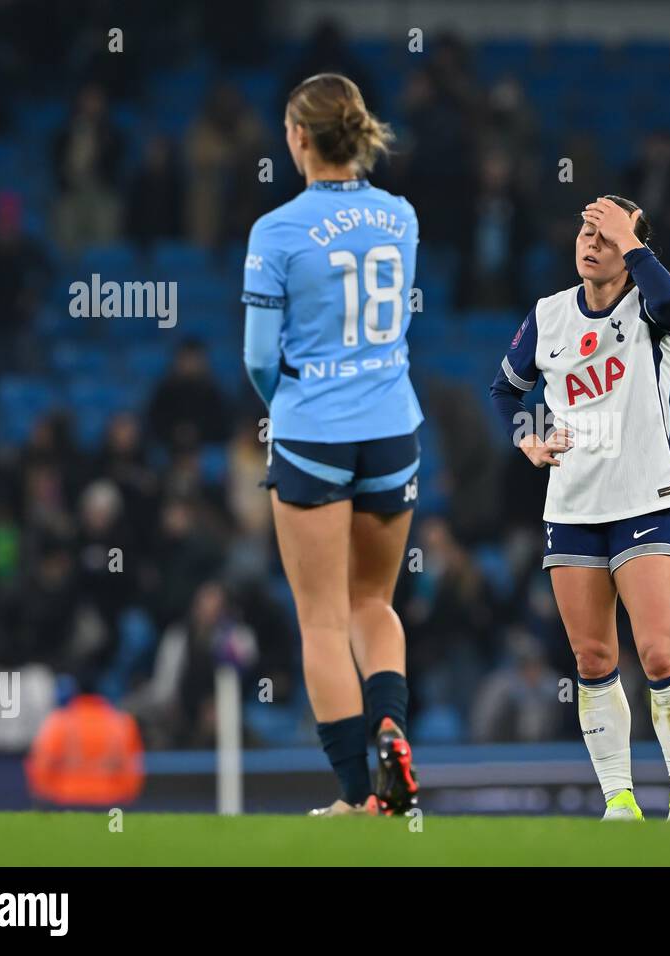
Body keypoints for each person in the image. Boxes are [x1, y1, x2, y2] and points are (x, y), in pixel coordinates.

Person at [242, 73, 421, 817]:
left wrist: (286, 404)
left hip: (315, 431)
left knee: (319, 616)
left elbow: (258, 356)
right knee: (374, 601)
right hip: (393, 430)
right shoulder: (401, 217)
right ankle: (392, 730)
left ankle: (359, 795)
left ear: (299, 139)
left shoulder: (276, 231)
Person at [489, 195, 670, 822]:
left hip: (642, 497)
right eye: (586, 230)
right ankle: (619, 802)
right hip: (573, 505)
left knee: (660, 655)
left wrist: (633, 246)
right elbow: (506, 390)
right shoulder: (549, 316)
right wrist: (526, 435)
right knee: (593, 660)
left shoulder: (650, 308)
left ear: (635, 250)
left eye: (606, 235)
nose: (591, 241)